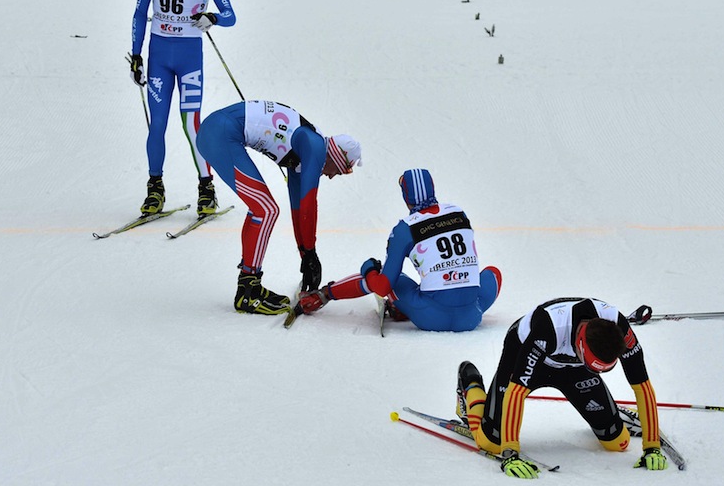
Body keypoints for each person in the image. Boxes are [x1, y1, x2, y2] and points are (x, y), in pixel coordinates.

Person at [455, 297, 667, 479]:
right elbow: (516, 392)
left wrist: (652, 447)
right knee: (492, 443)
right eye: (596, 368)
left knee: (618, 443)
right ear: (582, 347)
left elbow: (643, 387)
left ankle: (615, 414)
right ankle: (471, 386)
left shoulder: (619, 327)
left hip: (575, 368)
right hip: (527, 354)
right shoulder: (548, 328)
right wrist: (510, 452)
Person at [196, 100, 362, 315]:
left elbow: (298, 210)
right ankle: (248, 291)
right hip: (220, 134)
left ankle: (249, 283)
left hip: (218, 130)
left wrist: (306, 256)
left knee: (263, 209)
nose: (333, 176)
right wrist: (311, 254)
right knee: (265, 210)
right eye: (343, 170)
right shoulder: (315, 147)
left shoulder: (306, 148)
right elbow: (309, 204)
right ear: (339, 157)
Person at [294, 168, 502, 332]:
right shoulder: (459, 212)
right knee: (492, 273)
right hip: (471, 317)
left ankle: (322, 296)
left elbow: (383, 287)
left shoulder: (405, 228)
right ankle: (417, 306)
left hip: (431, 317)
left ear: (406, 197)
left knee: (388, 276)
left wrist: (369, 269)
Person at [128, 0, 236, 217]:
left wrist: (213, 18)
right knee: (157, 125)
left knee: (191, 125)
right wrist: (136, 55)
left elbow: (230, 15)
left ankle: (206, 189)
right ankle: (155, 189)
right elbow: (140, 13)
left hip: (189, 61)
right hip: (158, 59)